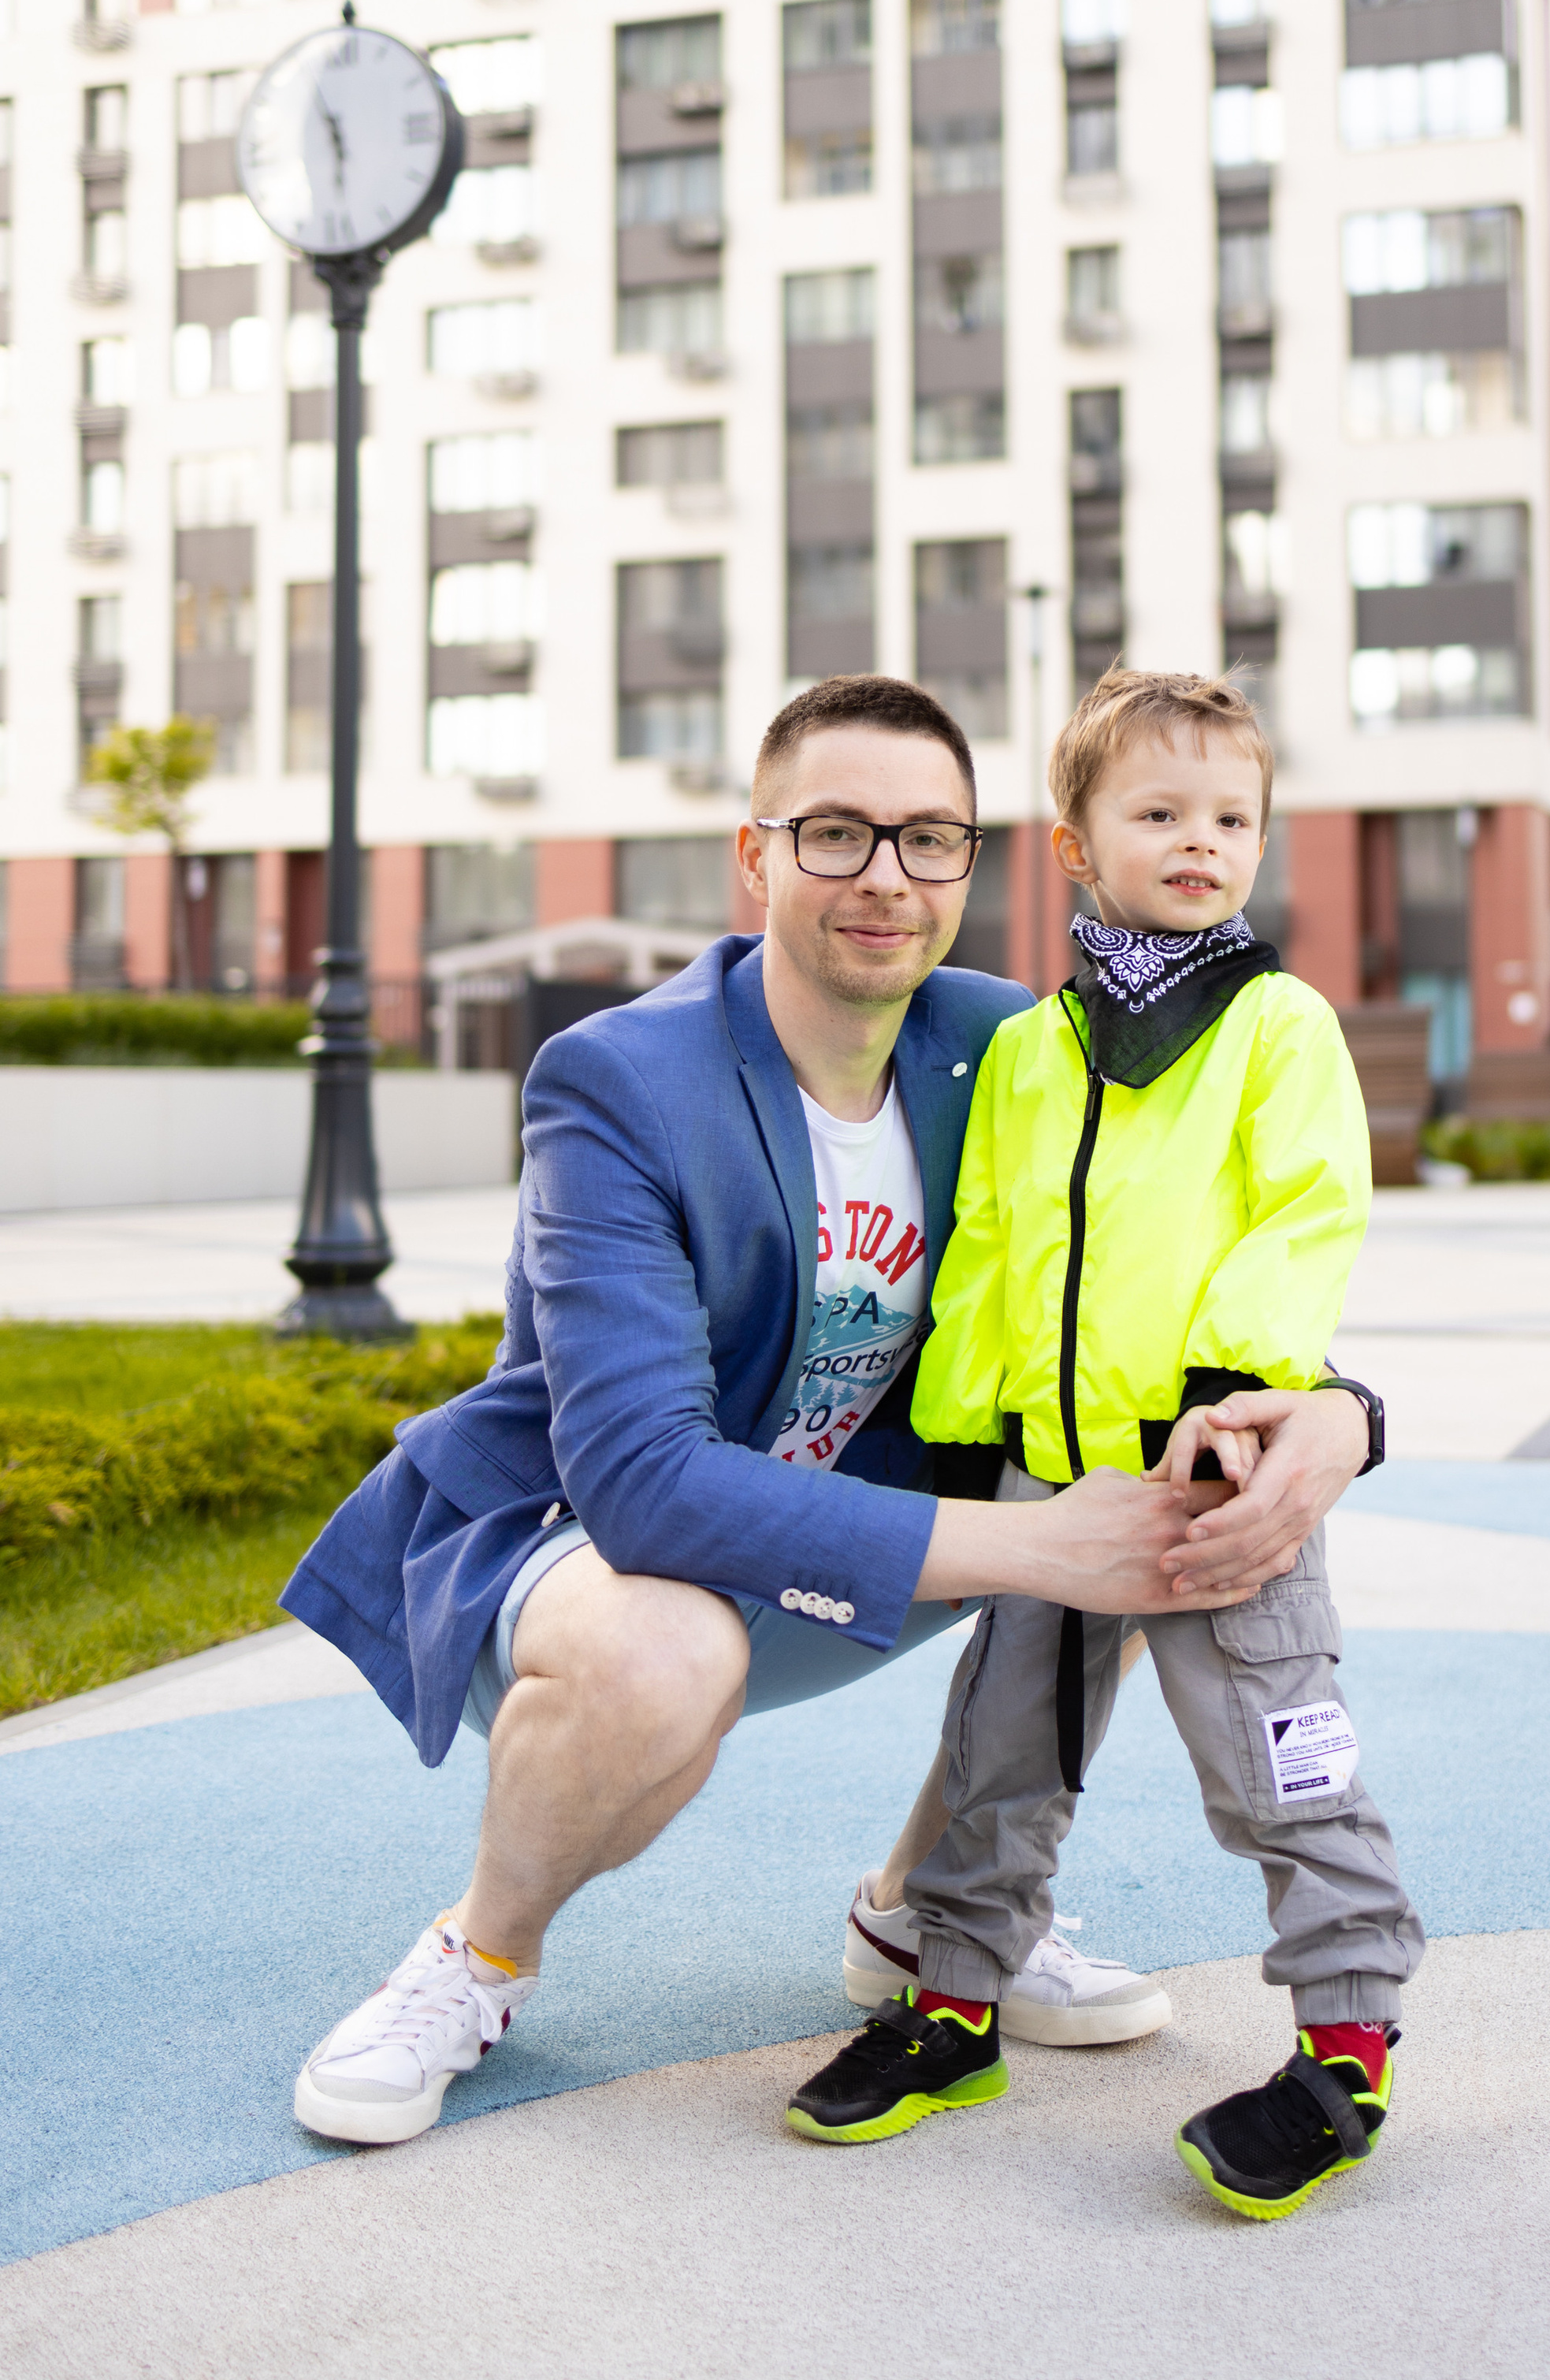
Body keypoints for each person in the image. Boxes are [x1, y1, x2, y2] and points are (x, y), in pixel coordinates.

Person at [282, 675, 1377, 2146]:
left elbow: (1192, 1238)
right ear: (756, 857)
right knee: (692, 1641)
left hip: (846, 1528)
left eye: (928, 838)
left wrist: (1340, 1412)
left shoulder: (1019, 1049)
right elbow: (646, 1484)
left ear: (974, 865)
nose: (886, 878)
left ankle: (929, 1926)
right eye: (838, 833)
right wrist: (1045, 1551)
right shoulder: (615, 1079)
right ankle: (476, 1955)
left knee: (1118, 1523)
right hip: (590, 1553)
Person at [785, 671, 1422, 2222]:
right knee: (996, 1753)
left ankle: (1344, 2052)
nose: (1198, 842)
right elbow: (992, 1251)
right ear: (1073, 846)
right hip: (1042, 1485)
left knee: (1278, 1760)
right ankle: (951, 2012)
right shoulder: (1028, 1052)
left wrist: (1234, 1386)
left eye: (1228, 818)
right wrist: (957, 1438)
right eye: (1156, 814)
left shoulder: (1276, 1026)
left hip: (1212, 1472)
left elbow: (1305, 1213)